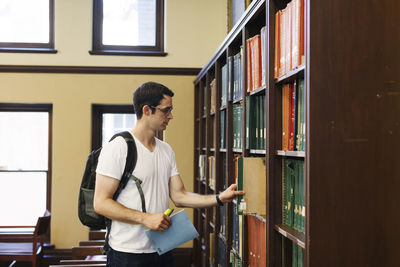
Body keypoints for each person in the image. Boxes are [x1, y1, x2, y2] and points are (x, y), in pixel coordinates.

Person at [94, 81, 244, 267]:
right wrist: (146, 218)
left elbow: (179, 196)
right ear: (147, 110)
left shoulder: (166, 150)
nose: (171, 116)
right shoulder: (118, 147)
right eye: (166, 110)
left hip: (162, 248)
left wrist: (220, 198)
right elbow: (100, 204)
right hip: (127, 254)